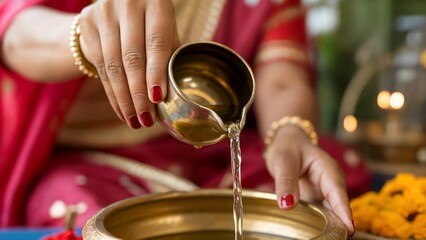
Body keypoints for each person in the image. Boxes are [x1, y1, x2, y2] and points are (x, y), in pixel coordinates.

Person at [0, 0, 371, 236]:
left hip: (216, 149)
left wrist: (290, 133)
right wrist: (84, 32)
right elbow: (14, 32)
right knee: (86, 209)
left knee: (312, 185)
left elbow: (281, 78)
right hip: (89, 159)